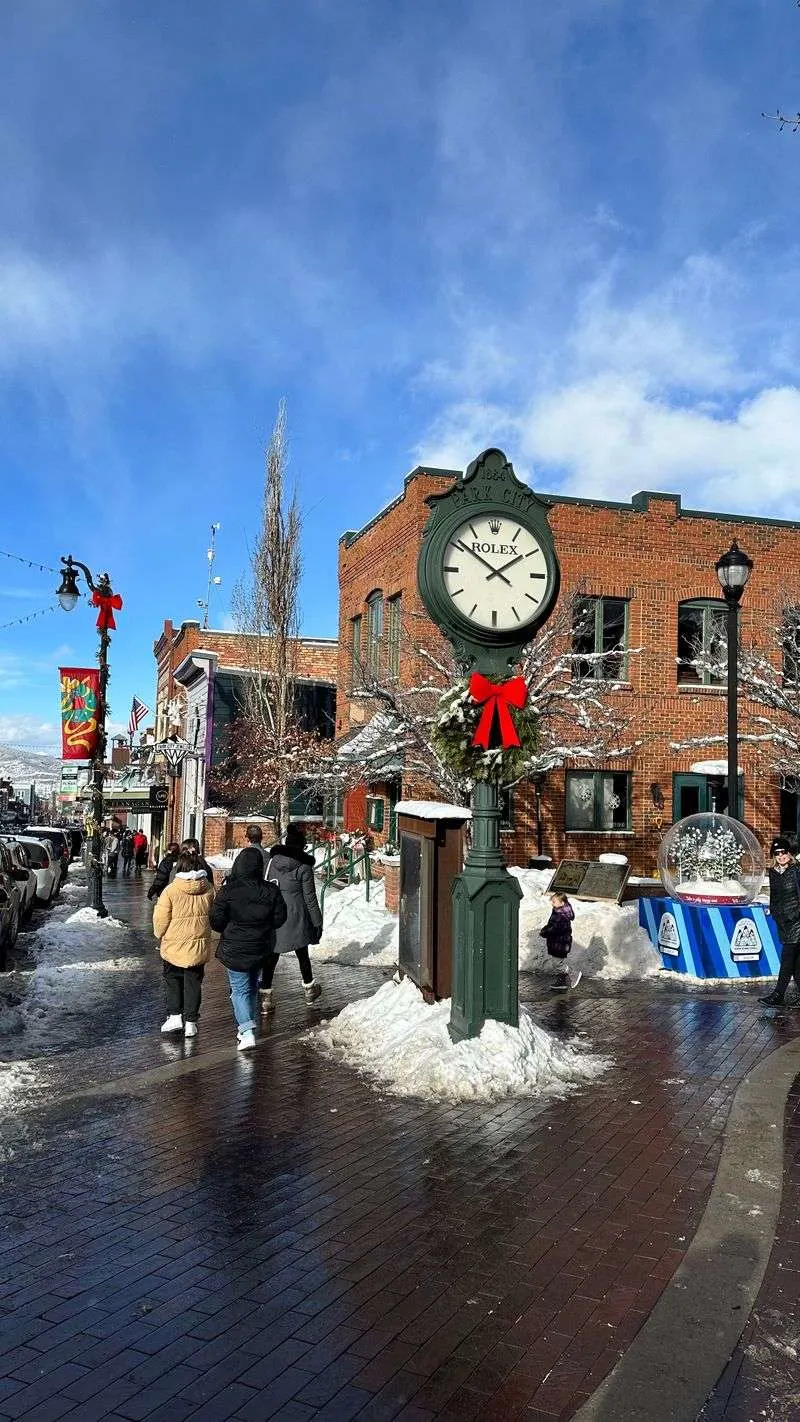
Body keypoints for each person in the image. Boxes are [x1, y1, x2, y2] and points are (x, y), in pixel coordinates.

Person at [209, 845, 287, 1051]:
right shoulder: (271, 890)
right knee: (251, 987)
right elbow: (280, 918)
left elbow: (216, 920)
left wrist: (230, 927)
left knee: (239, 990)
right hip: (262, 947)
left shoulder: (228, 891)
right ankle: (246, 1024)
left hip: (236, 947)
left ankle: (246, 1030)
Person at [152, 846, 215, 1037]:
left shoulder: (171, 890)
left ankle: (174, 1015)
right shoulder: (209, 889)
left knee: (172, 979)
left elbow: (161, 919)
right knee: (194, 983)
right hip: (198, 945)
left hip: (174, 944)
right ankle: (191, 1021)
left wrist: (158, 934)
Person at [261, 822, 324, 1009]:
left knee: (272, 956)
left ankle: (266, 996)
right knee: (302, 954)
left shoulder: (272, 862)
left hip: (275, 916)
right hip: (297, 917)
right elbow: (310, 898)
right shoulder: (303, 868)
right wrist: (317, 922)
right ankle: (309, 990)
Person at [760, 837, 800, 1006]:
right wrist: (775, 912)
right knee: (796, 961)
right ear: (773, 856)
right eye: (777, 853)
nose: (781, 856)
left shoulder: (797, 870)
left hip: (797, 922)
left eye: (784, 852)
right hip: (783, 922)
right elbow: (774, 896)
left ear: (789, 853)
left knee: (787, 957)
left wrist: (796, 914)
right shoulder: (774, 873)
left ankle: (778, 994)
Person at [539, 891, 577, 989]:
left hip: (560, 942)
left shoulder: (560, 915)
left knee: (557, 963)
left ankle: (573, 973)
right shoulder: (559, 911)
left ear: (562, 903)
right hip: (559, 942)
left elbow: (555, 928)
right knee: (557, 962)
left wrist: (544, 932)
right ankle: (562, 983)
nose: (552, 903)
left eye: (554, 902)